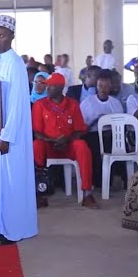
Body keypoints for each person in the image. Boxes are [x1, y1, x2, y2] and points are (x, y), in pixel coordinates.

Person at [0, 15, 38, 245]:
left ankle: (14, 230)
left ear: (12, 36)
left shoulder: (15, 64)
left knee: (12, 181)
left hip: (9, 135)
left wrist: (6, 136)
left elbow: (15, 105)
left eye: (1, 36)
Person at [32, 73, 98, 208]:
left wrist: (66, 139)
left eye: (51, 86)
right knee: (36, 145)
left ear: (60, 87)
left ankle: (87, 194)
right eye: (47, 86)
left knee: (82, 146)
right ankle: (40, 194)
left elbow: (80, 130)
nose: (47, 88)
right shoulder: (40, 105)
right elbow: (37, 132)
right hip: (48, 146)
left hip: (68, 146)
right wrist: (52, 140)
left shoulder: (73, 104)